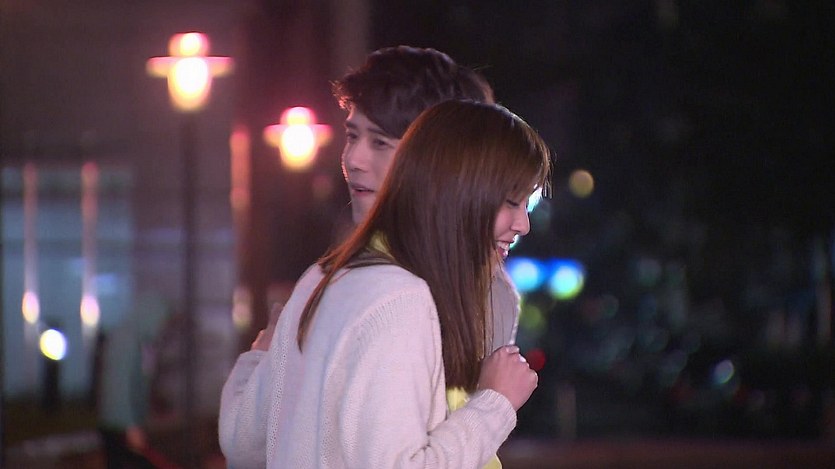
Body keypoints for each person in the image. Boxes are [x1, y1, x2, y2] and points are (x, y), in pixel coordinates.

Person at [219, 99, 550, 468]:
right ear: (459, 195)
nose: (523, 225)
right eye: (511, 202)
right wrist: (495, 403)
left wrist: (260, 359)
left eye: (527, 204)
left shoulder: (324, 277)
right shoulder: (400, 301)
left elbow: (243, 441)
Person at [96, 292, 173, 468]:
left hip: (127, 423)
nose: (162, 326)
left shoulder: (141, 341)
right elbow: (120, 386)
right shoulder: (126, 341)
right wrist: (130, 426)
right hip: (119, 425)